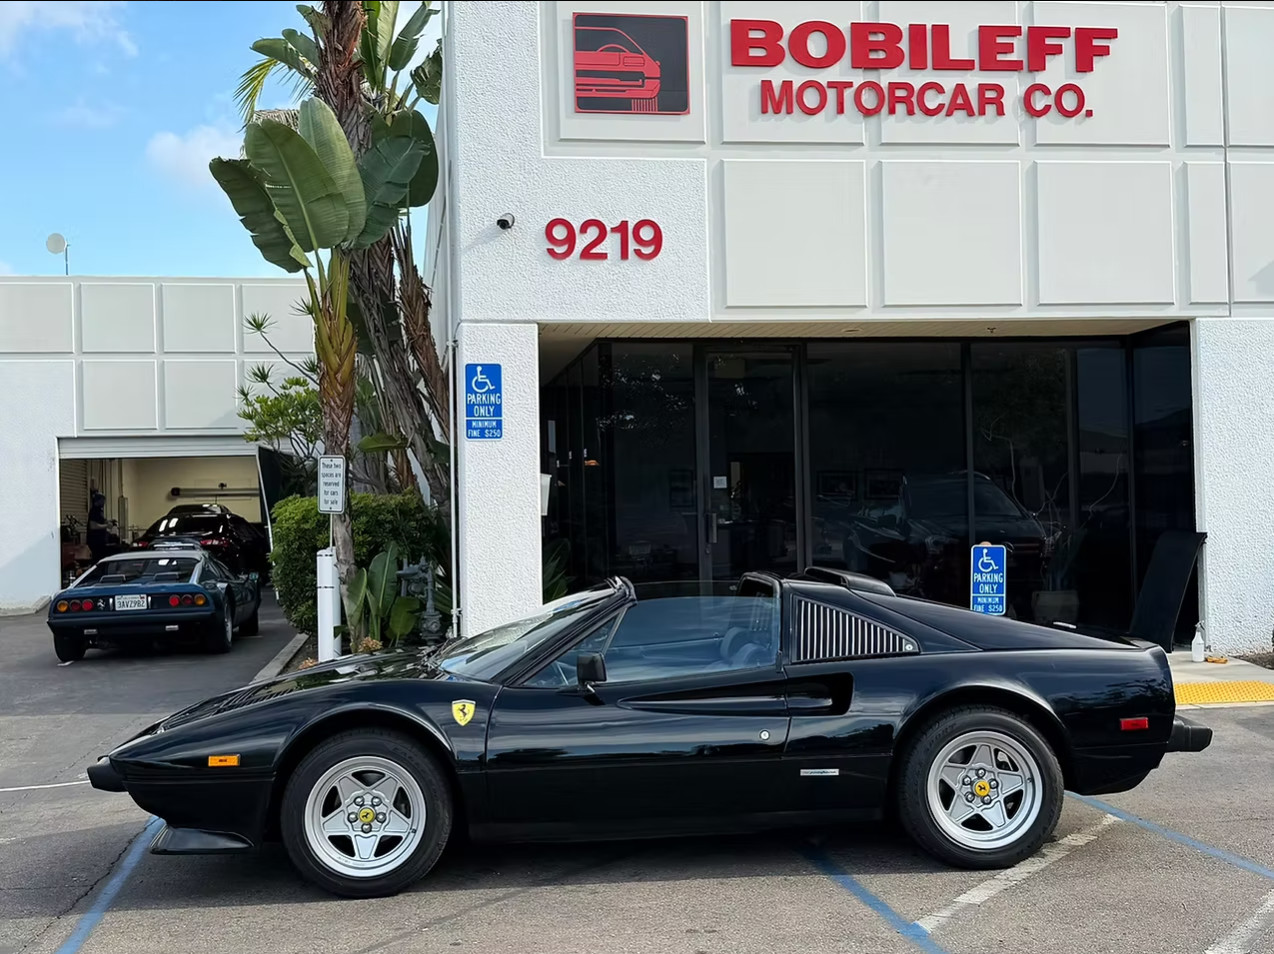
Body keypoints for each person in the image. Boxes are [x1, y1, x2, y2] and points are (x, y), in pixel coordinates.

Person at [86, 491, 108, 561]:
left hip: (100, 541)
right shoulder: (94, 511)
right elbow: (93, 526)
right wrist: (106, 526)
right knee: (97, 559)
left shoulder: (100, 511)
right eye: (102, 501)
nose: (104, 503)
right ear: (98, 501)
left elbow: (99, 521)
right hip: (95, 541)